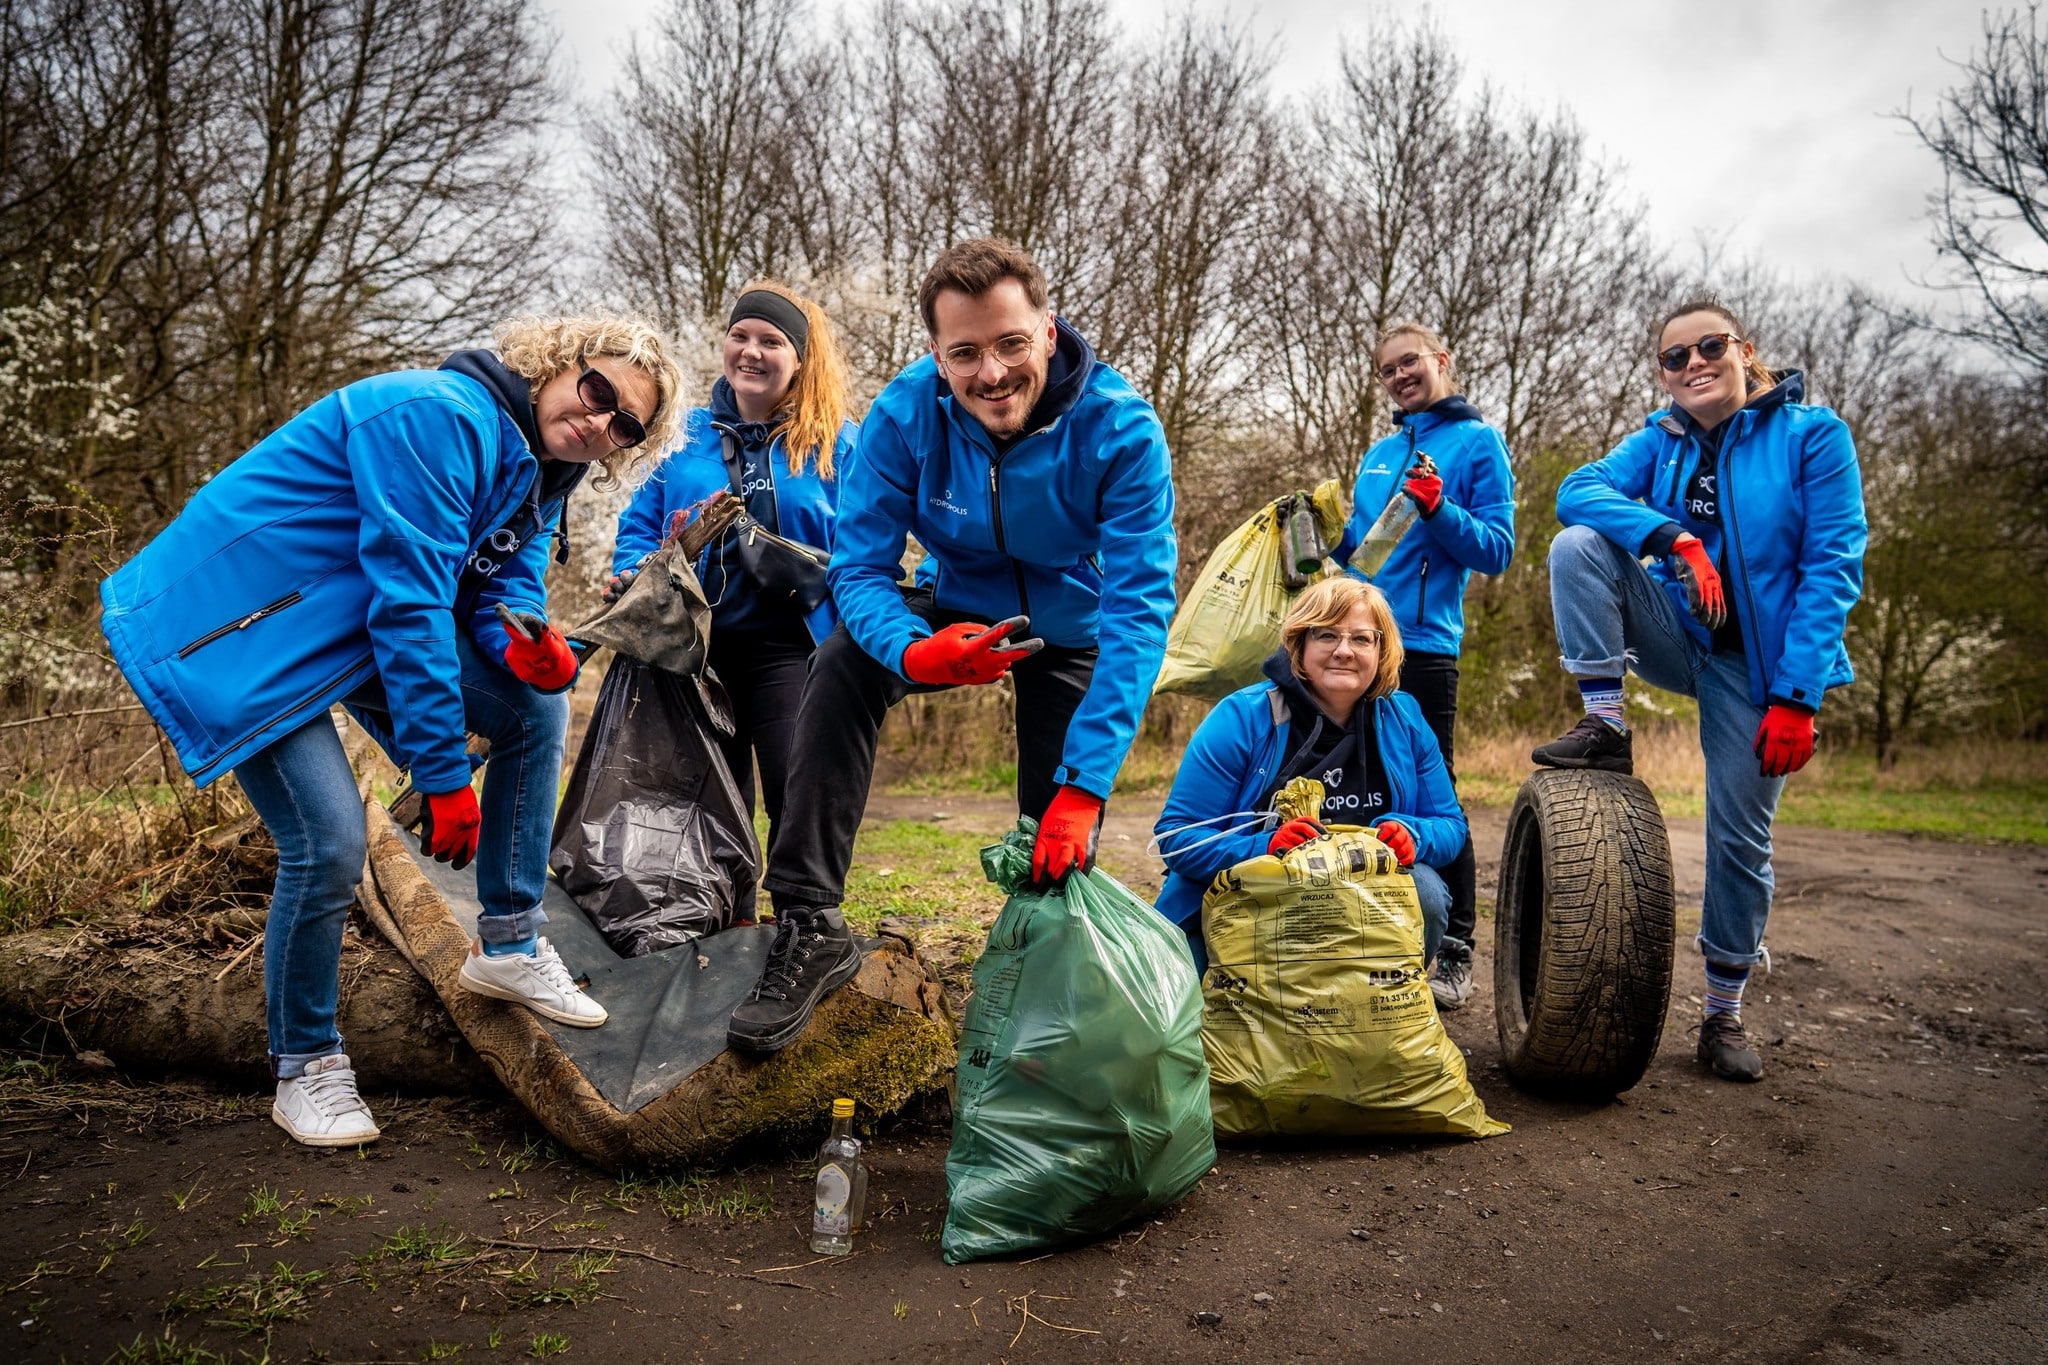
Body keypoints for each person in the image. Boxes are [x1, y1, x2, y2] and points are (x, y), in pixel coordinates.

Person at [99, 315, 686, 1145]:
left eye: (624, 425)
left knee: (533, 708)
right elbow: (409, 604)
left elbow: (496, 600)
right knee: (330, 842)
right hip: (240, 634)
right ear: (561, 363)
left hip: (336, 633)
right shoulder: (439, 415)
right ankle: (305, 1064)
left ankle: (510, 943)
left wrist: (532, 652)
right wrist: (444, 776)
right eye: (598, 393)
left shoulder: (544, 476)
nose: (600, 422)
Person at [725, 237, 1178, 1055]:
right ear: (937, 354)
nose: (992, 374)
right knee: (840, 662)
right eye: (964, 353)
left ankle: (1042, 979)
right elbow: (858, 570)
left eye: (1010, 344)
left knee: (1055, 843)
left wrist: (1085, 784)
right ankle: (808, 918)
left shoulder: (1121, 430)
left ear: (1047, 329)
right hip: (951, 606)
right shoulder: (904, 416)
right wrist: (913, 652)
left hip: (1070, 626)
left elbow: (1140, 613)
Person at [1531, 295, 1866, 1083]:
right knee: (1578, 544)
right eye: (1674, 357)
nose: (1693, 365)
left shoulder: (1813, 437)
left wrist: (1798, 696)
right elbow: (1577, 491)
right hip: (1679, 637)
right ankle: (1604, 721)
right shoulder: (1664, 437)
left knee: (1738, 839)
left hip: (1759, 668)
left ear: (1744, 350)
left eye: (1709, 346)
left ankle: (1723, 1013)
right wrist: (1673, 537)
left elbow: (1831, 569)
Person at [608, 283, 857, 861]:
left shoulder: (837, 442)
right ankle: (729, 916)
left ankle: (804, 914)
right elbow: (638, 526)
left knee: (796, 788)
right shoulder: (684, 435)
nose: (751, 351)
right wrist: (634, 572)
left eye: (771, 341)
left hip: (795, 648)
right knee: (705, 798)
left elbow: (865, 547)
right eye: (739, 336)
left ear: (798, 358)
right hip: (694, 650)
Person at [1330, 322, 1514, 1012]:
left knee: (1436, 791)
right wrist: (1318, 537)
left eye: (1411, 363)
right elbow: (1363, 553)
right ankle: (1368, 931)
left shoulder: (1477, 443)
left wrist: (1441, 509)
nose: (1401, 376)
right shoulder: (1379, 452)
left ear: (1442, 361)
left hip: (1427, 647)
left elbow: (1496, 549)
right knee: (1347, 777)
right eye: (1388, 370)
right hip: (1355, 641)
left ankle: (1457, 947)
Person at [1153, 577, 1464, 972]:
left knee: (1426, 892)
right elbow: (1176, 836)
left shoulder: (1405, 719)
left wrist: (1413, 836)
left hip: (1365, 898)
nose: (1344, 651)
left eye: (1362, 639)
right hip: (1249, 900)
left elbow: (1451, 826)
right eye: (1326, 635)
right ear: (1299, 645)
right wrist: (1265, 849)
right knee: (1180, 1004)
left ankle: (1376, 1007)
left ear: (1382, 650)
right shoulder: (1242, 716)